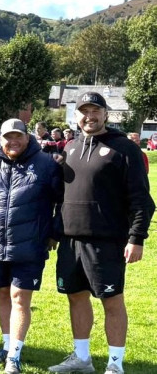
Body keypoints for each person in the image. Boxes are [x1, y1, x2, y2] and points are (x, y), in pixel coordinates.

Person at [49, 92, 154, 374]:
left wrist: (136, 238)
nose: (90, 116)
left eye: (95, 111)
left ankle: (115, 364)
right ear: (76, 116)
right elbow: (60, 195)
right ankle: (82, 359)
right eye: (84, 111)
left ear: (106, 114)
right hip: (71, 241)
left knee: (112, 300)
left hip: (107, 241)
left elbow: (142, 200)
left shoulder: (123, 148)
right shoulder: (70, 147)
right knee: (76, 296)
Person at [0, 118, 63, 374]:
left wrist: (53, 233)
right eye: (7, 137)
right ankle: (6, 347)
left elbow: (64, 202)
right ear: (0, 139)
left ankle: (14, 357)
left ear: (28, 138)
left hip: (29, 246)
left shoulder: (46, 165)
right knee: (3, 295)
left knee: (19, 298)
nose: (13, 141)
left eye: (18, 136)